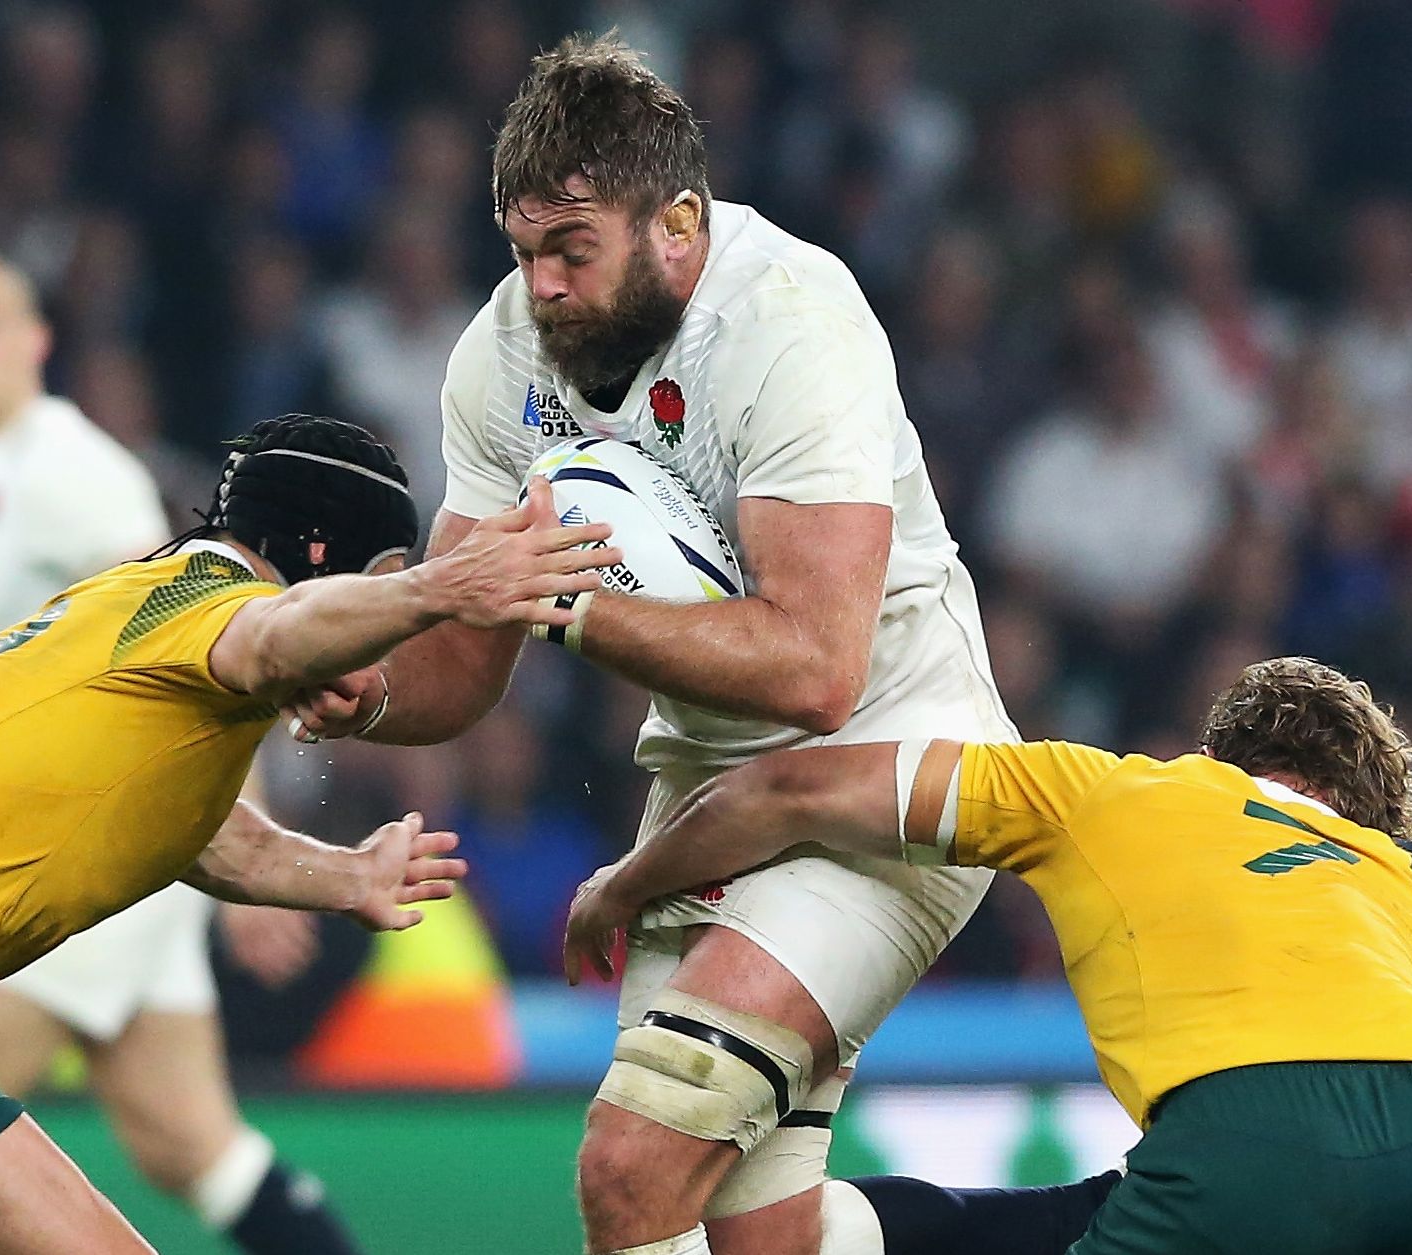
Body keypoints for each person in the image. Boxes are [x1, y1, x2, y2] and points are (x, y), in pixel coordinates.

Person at [287, 35, 1083, 1255]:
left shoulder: (787, 323)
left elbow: (818, 669)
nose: (542, 286)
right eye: (523, 252)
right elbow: (457, 663)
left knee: (633, 1166)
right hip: (709, 788)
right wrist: (365, 684)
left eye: (572, 251)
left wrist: (572, 605)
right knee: (759, 1237)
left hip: (888, 771)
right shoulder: (501, 361)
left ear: (677, 224)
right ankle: (1110, 1226)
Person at [0, 415, 618, 1255]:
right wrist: (448, 587)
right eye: (377, 584)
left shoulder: (130, 605)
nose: (372, 638)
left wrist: (343, 875)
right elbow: (280, 633)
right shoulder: (214, 609)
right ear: (319, 554)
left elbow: (192, 830)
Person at [565, 657, 1412, 1255]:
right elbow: (1360, 1154)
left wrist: (628, 880)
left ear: (1229, 760)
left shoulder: (1117, 790)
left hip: (1251, 1133)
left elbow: (789, 789)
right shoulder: (1399, 887)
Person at [0, 253, 363, 1254]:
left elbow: (200, 643)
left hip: (92, 852)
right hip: (68, 853)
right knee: (191, 1146)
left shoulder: (72, 472)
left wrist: (251, 838)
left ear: (34, 343)